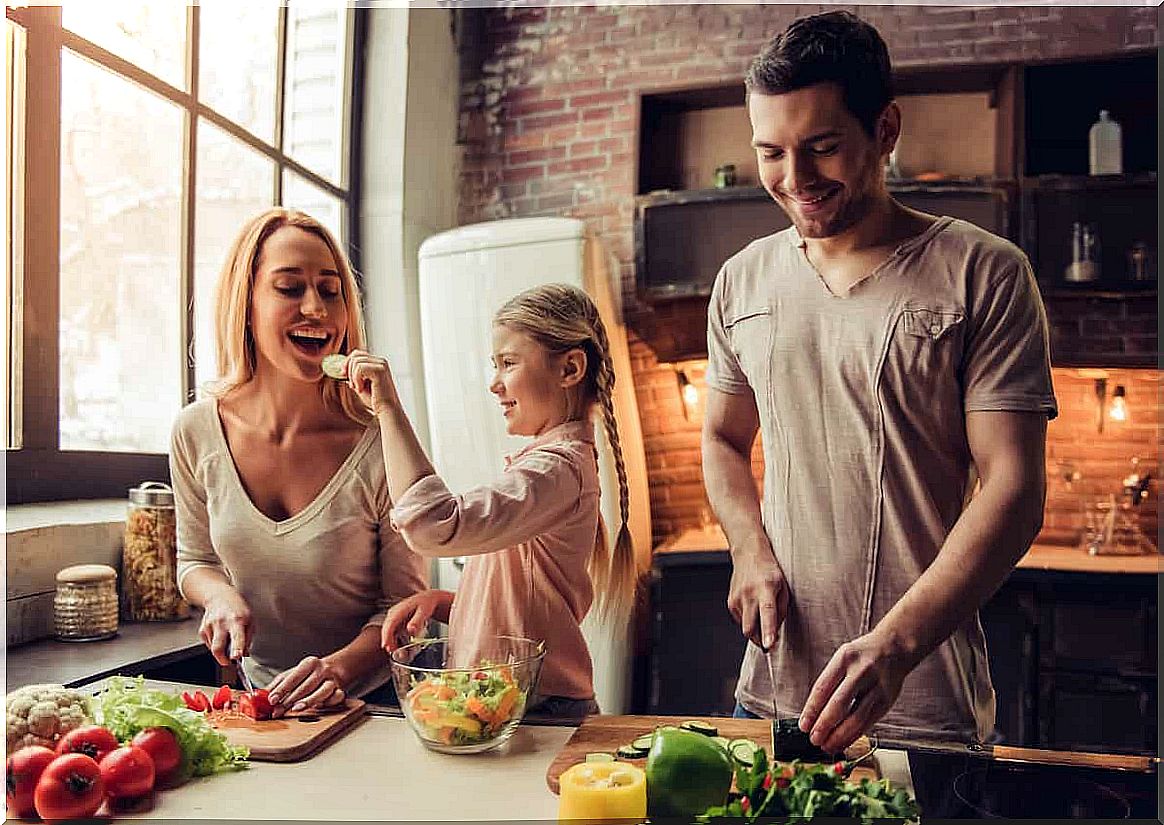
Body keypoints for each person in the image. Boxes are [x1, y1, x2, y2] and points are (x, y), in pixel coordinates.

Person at [702, 10, 1057, 752]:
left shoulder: (984, 271)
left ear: (886, 129)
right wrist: (747, 546)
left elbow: (1013, 489)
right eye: (771, 152)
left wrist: (895, 645)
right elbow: (723, 438)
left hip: (924, 706)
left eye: (822, 147)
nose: (794, 180)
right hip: (771, 695)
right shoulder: (742, 281)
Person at [172, 207, 428, 717]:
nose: (317, 309)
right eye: (290, 289)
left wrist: (337, 670)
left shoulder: (379, 443)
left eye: (331, 291)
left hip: (374, 706)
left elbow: (404, 613)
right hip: (261, 702)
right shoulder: (195, 432)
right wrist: (220, 597)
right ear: (245, 305)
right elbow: (194, 561)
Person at [341, 282, 636, 717]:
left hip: (539, 709)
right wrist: (444, 603)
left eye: (509, 363)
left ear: (570, 369)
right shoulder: (547, 467)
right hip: (516, 702)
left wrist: (388, 408)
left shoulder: (558, 469)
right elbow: (524, 602)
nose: (494, 384)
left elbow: (431, 525)